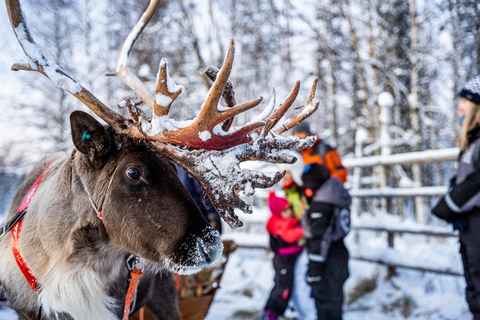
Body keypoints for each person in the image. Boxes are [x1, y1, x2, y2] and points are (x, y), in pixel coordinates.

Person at [432, 75, 480, 320]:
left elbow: (476, 179)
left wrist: (449, 205)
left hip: (477, 219)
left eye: (466, 99)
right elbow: (463, 177)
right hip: (468, 220)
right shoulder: (471, 140)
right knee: (472, 280)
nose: (460, 103)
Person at [301, 163, 351, 320]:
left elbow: (320, 238)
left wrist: (314, 269)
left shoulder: (322, 205)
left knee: (326, 304)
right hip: (338, 254)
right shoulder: (334, 194)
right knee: (334, 303)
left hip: (327, 261)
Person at [279, 159, 317, 320]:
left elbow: (304, 216)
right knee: (291, 276)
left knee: (301, 276)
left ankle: (307, 313)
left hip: (304, 241)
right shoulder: (288, 192)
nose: (284, 177)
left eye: (287, 173)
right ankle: (298, 310)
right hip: (293, 242)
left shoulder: (301, 193)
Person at [262, 192, 304, 320]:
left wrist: (301, 215)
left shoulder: (281, 221)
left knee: (279, 284)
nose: (290, 212)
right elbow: (290, 235)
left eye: (290, 208)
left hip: (284, 260)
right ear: (278, 212)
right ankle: (273, 312)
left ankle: (269, 310)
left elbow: (292, 222)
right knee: (284, 287)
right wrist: (305, 229)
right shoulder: (278, 224)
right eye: (285, 210)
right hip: (283, 261)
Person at [176, 166, 222, 234]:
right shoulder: (193, 162)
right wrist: (213, 215)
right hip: (200, 217)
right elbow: (204, 190)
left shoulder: (176, 161)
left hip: (184, 217)